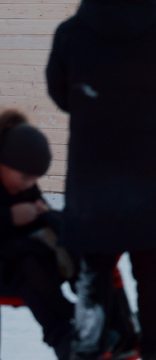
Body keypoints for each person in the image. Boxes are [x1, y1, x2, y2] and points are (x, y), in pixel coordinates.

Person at [46, 0, 156, 360]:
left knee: (94, 261)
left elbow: (59, 92)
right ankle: (154, 350)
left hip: (91, 162)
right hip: (145, 160)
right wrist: (144, 109)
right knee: (148, 261)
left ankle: (91, 348)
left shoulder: (72, 30)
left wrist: (95, 110)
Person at [0, 110, 73, 359]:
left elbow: (39, 212)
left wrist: (44, 214)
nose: (29, 185)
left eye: (35, 179)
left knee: (72, 231)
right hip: (11, 268)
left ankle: (107, 316)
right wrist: (10, 217)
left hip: (23, 256)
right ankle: (66, 335)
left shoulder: (21, 182)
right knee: (29, 263)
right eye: (25, 177)